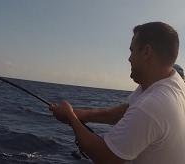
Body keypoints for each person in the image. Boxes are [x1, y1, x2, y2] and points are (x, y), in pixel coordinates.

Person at [49, 22, 185, 164]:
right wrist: (84, 115)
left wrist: (71, 117)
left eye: (132, 51)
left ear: (146, 52)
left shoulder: (152, 104)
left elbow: (106, 158)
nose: (129, 58)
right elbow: (129, 110)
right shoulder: (172, 82)